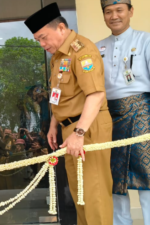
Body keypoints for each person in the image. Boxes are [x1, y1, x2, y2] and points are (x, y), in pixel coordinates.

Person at [24, 3, 113, 224]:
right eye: (38, 41)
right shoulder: (58, 57)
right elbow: (59, 95)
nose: (43, 44)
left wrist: (80, 132)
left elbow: (95, 95)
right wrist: (55, 123)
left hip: (87, 127)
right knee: (79, 194)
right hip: (70, 130)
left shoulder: (82, 51)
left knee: (94, 194)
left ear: (61, 28)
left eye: (44, 38)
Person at [95, 0, 150, 224]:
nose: (114, 16)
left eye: (119, 10)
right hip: (108, 117)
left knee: (147, 178)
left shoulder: (145, 40)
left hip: (143, 115)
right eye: (108, 12)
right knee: (115, 181)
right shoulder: (96, 47)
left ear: (130, 12)